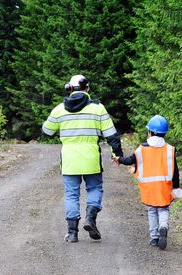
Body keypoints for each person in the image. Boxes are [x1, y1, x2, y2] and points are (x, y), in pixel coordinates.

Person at [42, 74, 123, 243]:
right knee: (94, 189)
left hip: (70, 161)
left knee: (71, 195)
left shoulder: (59, 109)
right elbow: (112, 136)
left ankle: (72, 233)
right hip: (91, 159)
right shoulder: (98, 108)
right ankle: (90, 218)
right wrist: (117, 154)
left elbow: (46, 131)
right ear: (87, 88)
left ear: (69, 89)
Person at [113, 115, 180, 250]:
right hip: (164, 186)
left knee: (152, 210)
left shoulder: (142, 148)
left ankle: (154, 237)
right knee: (163, 208)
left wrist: (119, 159)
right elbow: (175, 170)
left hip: (149, 187)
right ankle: (163, 226)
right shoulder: (169, 149)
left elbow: (131, 160)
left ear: (150, 132)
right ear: (164, 133)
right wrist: (176, 187)